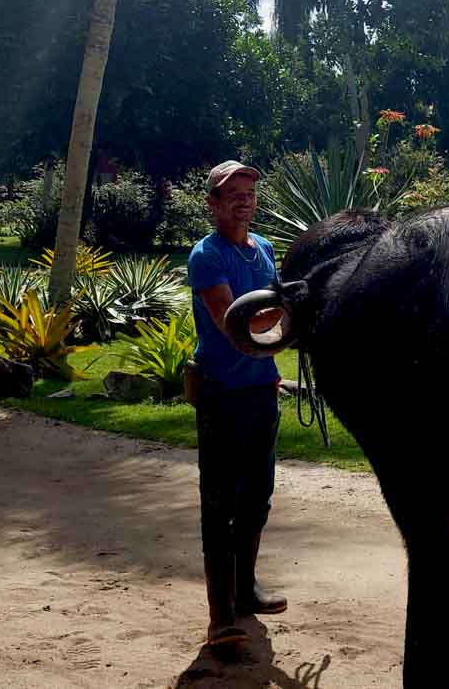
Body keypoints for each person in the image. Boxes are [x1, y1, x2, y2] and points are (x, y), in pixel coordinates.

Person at [186, 160, 289, 647]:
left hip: (260, 388)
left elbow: (271, 321)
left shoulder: (264, 248)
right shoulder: (206, 256)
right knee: (220, 502)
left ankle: (245, 591)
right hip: (221, 393)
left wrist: (287, 313)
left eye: (249, 191)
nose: (243, 199)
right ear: (212, 204)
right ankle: (219, 616)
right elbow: (235, 321)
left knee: (257, 497)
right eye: (232, 193)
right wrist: (292, 308)